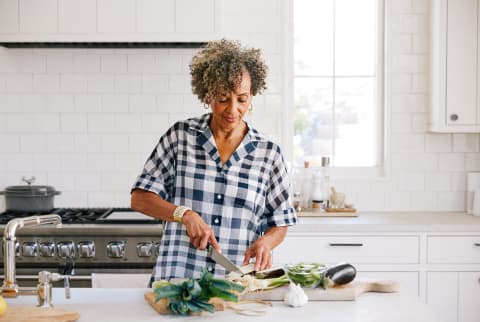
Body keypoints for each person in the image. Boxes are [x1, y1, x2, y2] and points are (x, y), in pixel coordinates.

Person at [131, 39, 297, 282]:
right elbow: (140, 199)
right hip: (177, 280)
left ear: (252, 96)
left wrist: (266, 242)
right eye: (222, 98)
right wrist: (184, 214)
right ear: (208, 94)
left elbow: (280, 222)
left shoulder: (268, 154)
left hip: (233, 283)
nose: (232, 109)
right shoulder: (181, 137)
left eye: (242, 99)